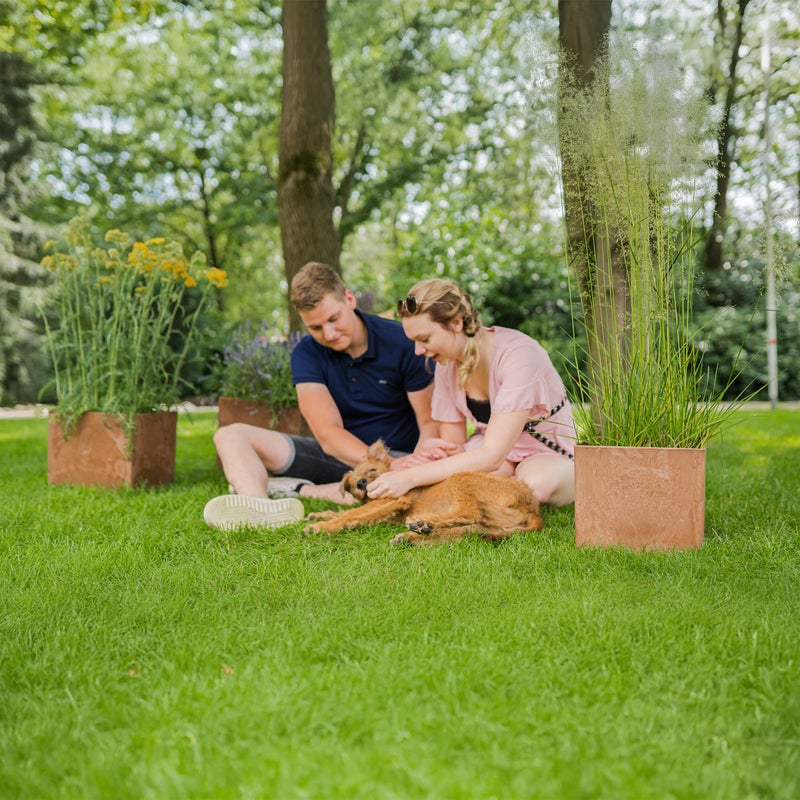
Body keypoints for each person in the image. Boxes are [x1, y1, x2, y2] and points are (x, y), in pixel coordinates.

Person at [203, 262, 453, 530]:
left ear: (349, 299)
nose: (329, 334)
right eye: (316, 328)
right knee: (230, 435)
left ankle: (304, 491)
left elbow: (429, 423)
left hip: (400, 458)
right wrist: (381, 466)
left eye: (333, 319)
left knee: (432, 485)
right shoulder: (306, 353)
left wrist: (409, 468)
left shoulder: (402, 341)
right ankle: (259, 507)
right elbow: (328, 435)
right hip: (339, 457)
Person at [365, 278, 576, 507]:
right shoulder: (446, 367)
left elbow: (492, 456)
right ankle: (495, 497)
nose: (418, 351)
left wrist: (409, 477)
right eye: (414, 342)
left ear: (456, 323)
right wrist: (432, 452)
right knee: (458, 478)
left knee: (536, 486)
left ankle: (505, 494)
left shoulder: (519, 354)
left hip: (542, 452)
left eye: (424, 339)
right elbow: (453, 446)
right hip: (495, 455)